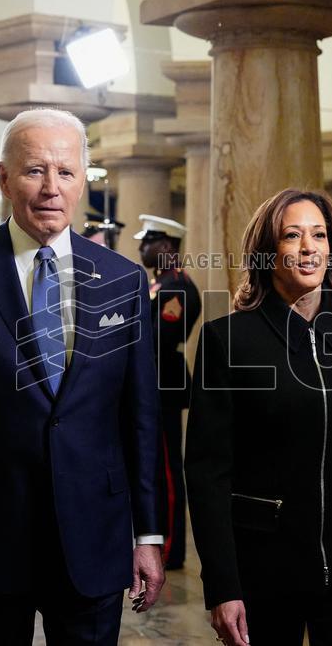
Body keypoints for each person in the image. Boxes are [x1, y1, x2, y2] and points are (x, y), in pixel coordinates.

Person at [0, 107, 165, 645]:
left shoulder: (124, 281)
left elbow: (140, 420)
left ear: (83, 179)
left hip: (93, 537)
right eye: (35, 170)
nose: (50, 188)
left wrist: (148, 534)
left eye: (65, 172)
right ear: (4, 178)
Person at [185, 188, 332, 646]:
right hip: (265, 569)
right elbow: (208, 474)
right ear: (268, 253)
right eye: (292, 235)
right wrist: (222, 586)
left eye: (319, 235)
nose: (309, 248)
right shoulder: (228, 341)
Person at [134, 214, 201, 570]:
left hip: (163, 387)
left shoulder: (178, 287)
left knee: (167, 471)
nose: (141, 248)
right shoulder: (159, 284)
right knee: (151, 467)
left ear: (167, 246)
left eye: (148, 242)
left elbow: (159, 339)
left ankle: (171, 547)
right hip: (150, 385)